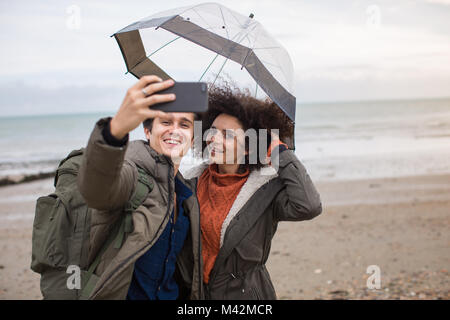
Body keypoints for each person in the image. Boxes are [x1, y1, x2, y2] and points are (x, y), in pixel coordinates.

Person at [183, 85, 323, 299]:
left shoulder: (264, 190)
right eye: (212, 131)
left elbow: (308, 206)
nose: (214, 139)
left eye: (227, 135)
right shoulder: (191, 182)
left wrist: (280, 153)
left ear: (249, 146)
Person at [77, 75, 203, 300]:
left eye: (184, 124)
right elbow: (97, 191)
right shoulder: (131, 172)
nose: (174, 130)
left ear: (192, 139)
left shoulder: (187, 196)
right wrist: (113, 133)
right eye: (165, 122)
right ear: (147, 131)